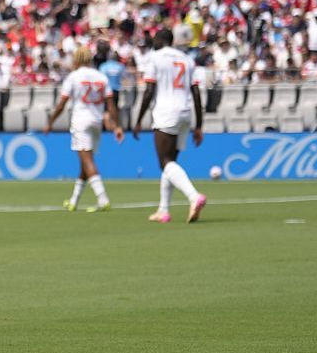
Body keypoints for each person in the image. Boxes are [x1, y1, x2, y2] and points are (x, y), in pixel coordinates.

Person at [133, 28, 206, 224]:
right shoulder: (187, 59)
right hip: (185, 113)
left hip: (166, 113)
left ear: (159, 40)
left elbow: (149, 91)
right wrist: (199, 125)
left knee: (164, 162)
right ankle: (163, 210)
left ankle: (194, 196)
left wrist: (138, 120)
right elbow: (196, 93)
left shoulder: (155, 58)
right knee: (171, 162)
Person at [44, 46, 124, 212]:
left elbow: (62, 104)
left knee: (87, 161)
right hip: (96, 122)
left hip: (81, 121)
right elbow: (111, 105)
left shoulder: (74, 77)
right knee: (85, 164)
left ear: (77, 59)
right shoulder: (101, 77)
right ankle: (74, 201)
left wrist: (50, 122)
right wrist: (116, 126)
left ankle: (103, 199)